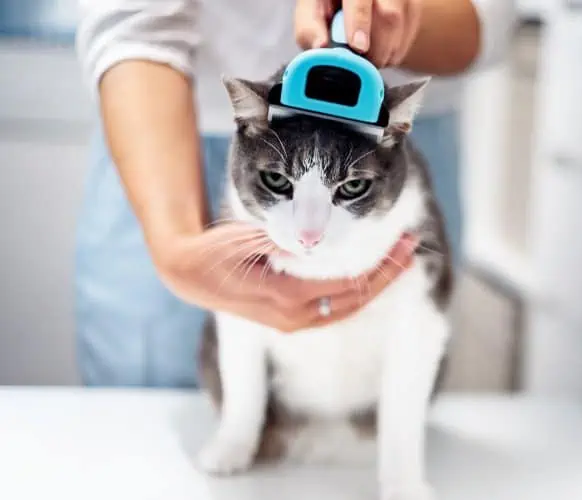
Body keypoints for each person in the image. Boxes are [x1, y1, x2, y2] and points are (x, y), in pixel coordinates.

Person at [74, 0, 516, 387]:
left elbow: (493, 17)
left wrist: (405, 17)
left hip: (388, 153)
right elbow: (131, 21)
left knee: (383, 396)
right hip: (171, 142)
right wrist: (175, 249)